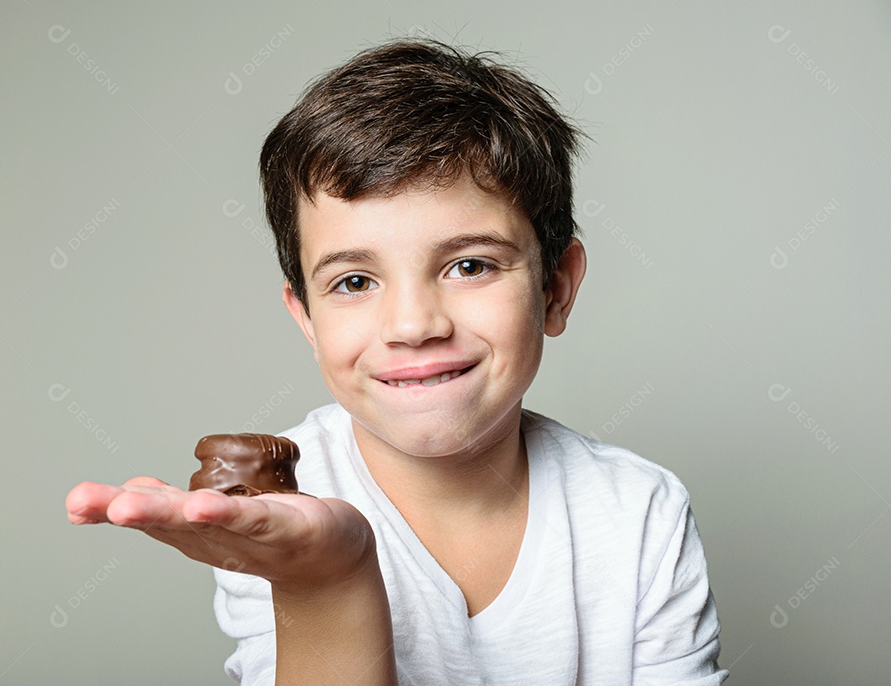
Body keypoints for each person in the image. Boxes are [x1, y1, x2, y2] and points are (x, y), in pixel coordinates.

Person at [65, 37, 727, 685]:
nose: (414, 326)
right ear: (306, 316)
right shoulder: (277, 509)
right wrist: (326, 580)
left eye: (470, 265)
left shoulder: (640, 515)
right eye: (354, 282)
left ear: (555, 288)